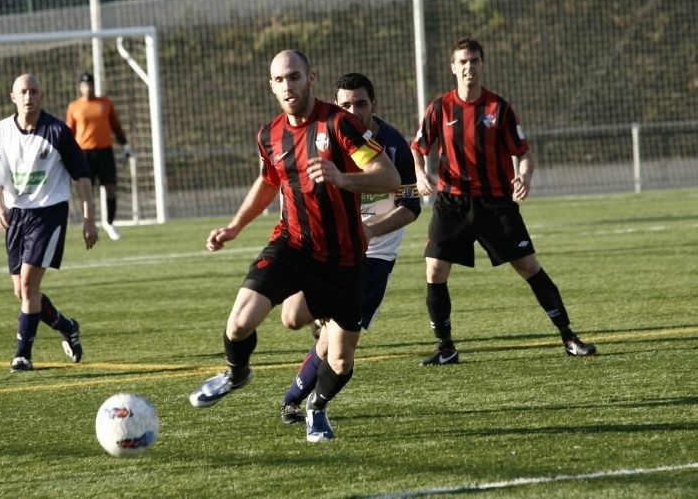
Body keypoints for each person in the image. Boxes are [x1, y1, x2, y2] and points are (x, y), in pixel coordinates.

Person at [188, 50, 400, 443]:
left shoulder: (339, 123)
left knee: (340, 357)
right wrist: (235, 226)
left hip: (343, 258)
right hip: (292, 244)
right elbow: (269, 181)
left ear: (310, 78)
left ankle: (316, 408)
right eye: (280, 80)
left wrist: (342, 178)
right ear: (272, 86)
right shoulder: (269, 134)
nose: (288, 86)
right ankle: (236, 373)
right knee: (238, 324)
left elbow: (388, 177)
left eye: (295, 77)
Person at [411, 37, 597, 366]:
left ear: (483, 65)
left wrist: (524, 176)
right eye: (463, 61)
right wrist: (420, 173)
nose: (469, 67)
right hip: (452, 203)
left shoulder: (499, 108)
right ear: (453, 67)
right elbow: (418, 145)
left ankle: (568, 336)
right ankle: (445, 348)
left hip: (495, 203)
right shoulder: (440, 108)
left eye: (474, 61)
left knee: (528, 267)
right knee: (435, 269)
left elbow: (523, 153)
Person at [278, 72, 421, 424]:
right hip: (329, 249)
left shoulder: (393, 146)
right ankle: (321, 322)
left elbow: (412, 205)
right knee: (292, 316)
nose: (353, 111)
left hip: (372, 257)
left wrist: (371, 230)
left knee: (334, 347)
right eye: (345, 104)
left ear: (374, 104)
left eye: (360, 103)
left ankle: (297, 402)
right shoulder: (325, 138)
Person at [0, 74, 98, 372]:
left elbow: (82, 175)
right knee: (22, 292)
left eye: (34, 91)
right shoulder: (1, 131)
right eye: (23, 92)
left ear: (41, 96)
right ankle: (67, 326)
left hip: (49, 213)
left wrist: (89, 219)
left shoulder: (57, 131)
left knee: (28, 283)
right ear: (13, 96)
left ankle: (22, 354)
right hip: (16, 215)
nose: (28, 97)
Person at [65, 72, 131, 241]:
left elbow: (115, 126)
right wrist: (66, 152)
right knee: (87, 191)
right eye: (84, 85)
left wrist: (125, 145)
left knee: (111, 188)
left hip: (105, 151)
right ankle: (90, 222)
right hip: (84, 153)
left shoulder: (105, 103)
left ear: (94, 85)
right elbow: (69, 133)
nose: (88, 87)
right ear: (80, 87)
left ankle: (110, 222)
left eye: (90, 84)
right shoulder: (74, 107)